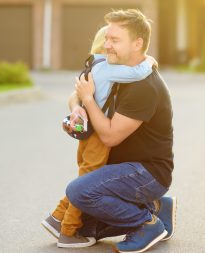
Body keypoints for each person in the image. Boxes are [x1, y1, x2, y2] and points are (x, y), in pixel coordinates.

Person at [65, 9, 177, 253]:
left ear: (138, 44)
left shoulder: (143, 87)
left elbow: (109, 135)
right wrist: (78, 108)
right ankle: (157, 207)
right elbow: (77, 94)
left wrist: (89, 101)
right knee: (85, 228)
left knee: (78, 192)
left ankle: (146, 224)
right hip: (119, 169)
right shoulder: (116, 72)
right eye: (107, 39)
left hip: (146, 172)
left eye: (115, 40)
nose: (107, 46)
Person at [41, 25, 157, 248]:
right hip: (97, 136)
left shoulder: (92, 66)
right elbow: (138, 73)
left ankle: (56, 218)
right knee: (88, 183)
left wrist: (77, 106)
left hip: (88, 134)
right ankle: (68, 231)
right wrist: (149, 61)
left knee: (85, 176)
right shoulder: (107, 67)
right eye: (112, 41)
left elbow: (75, 96)